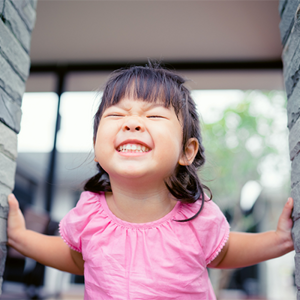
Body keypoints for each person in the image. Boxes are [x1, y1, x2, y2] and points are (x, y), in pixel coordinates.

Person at [7, 64, 294, 300]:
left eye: (154, 115)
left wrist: (279, 240)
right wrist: (22, 237)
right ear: (96, 146)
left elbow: (226, 251)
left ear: (186, 151)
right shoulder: (89, 213)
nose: (131, 123)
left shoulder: (196, 217)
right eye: (116, 114)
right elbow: (75, 260)